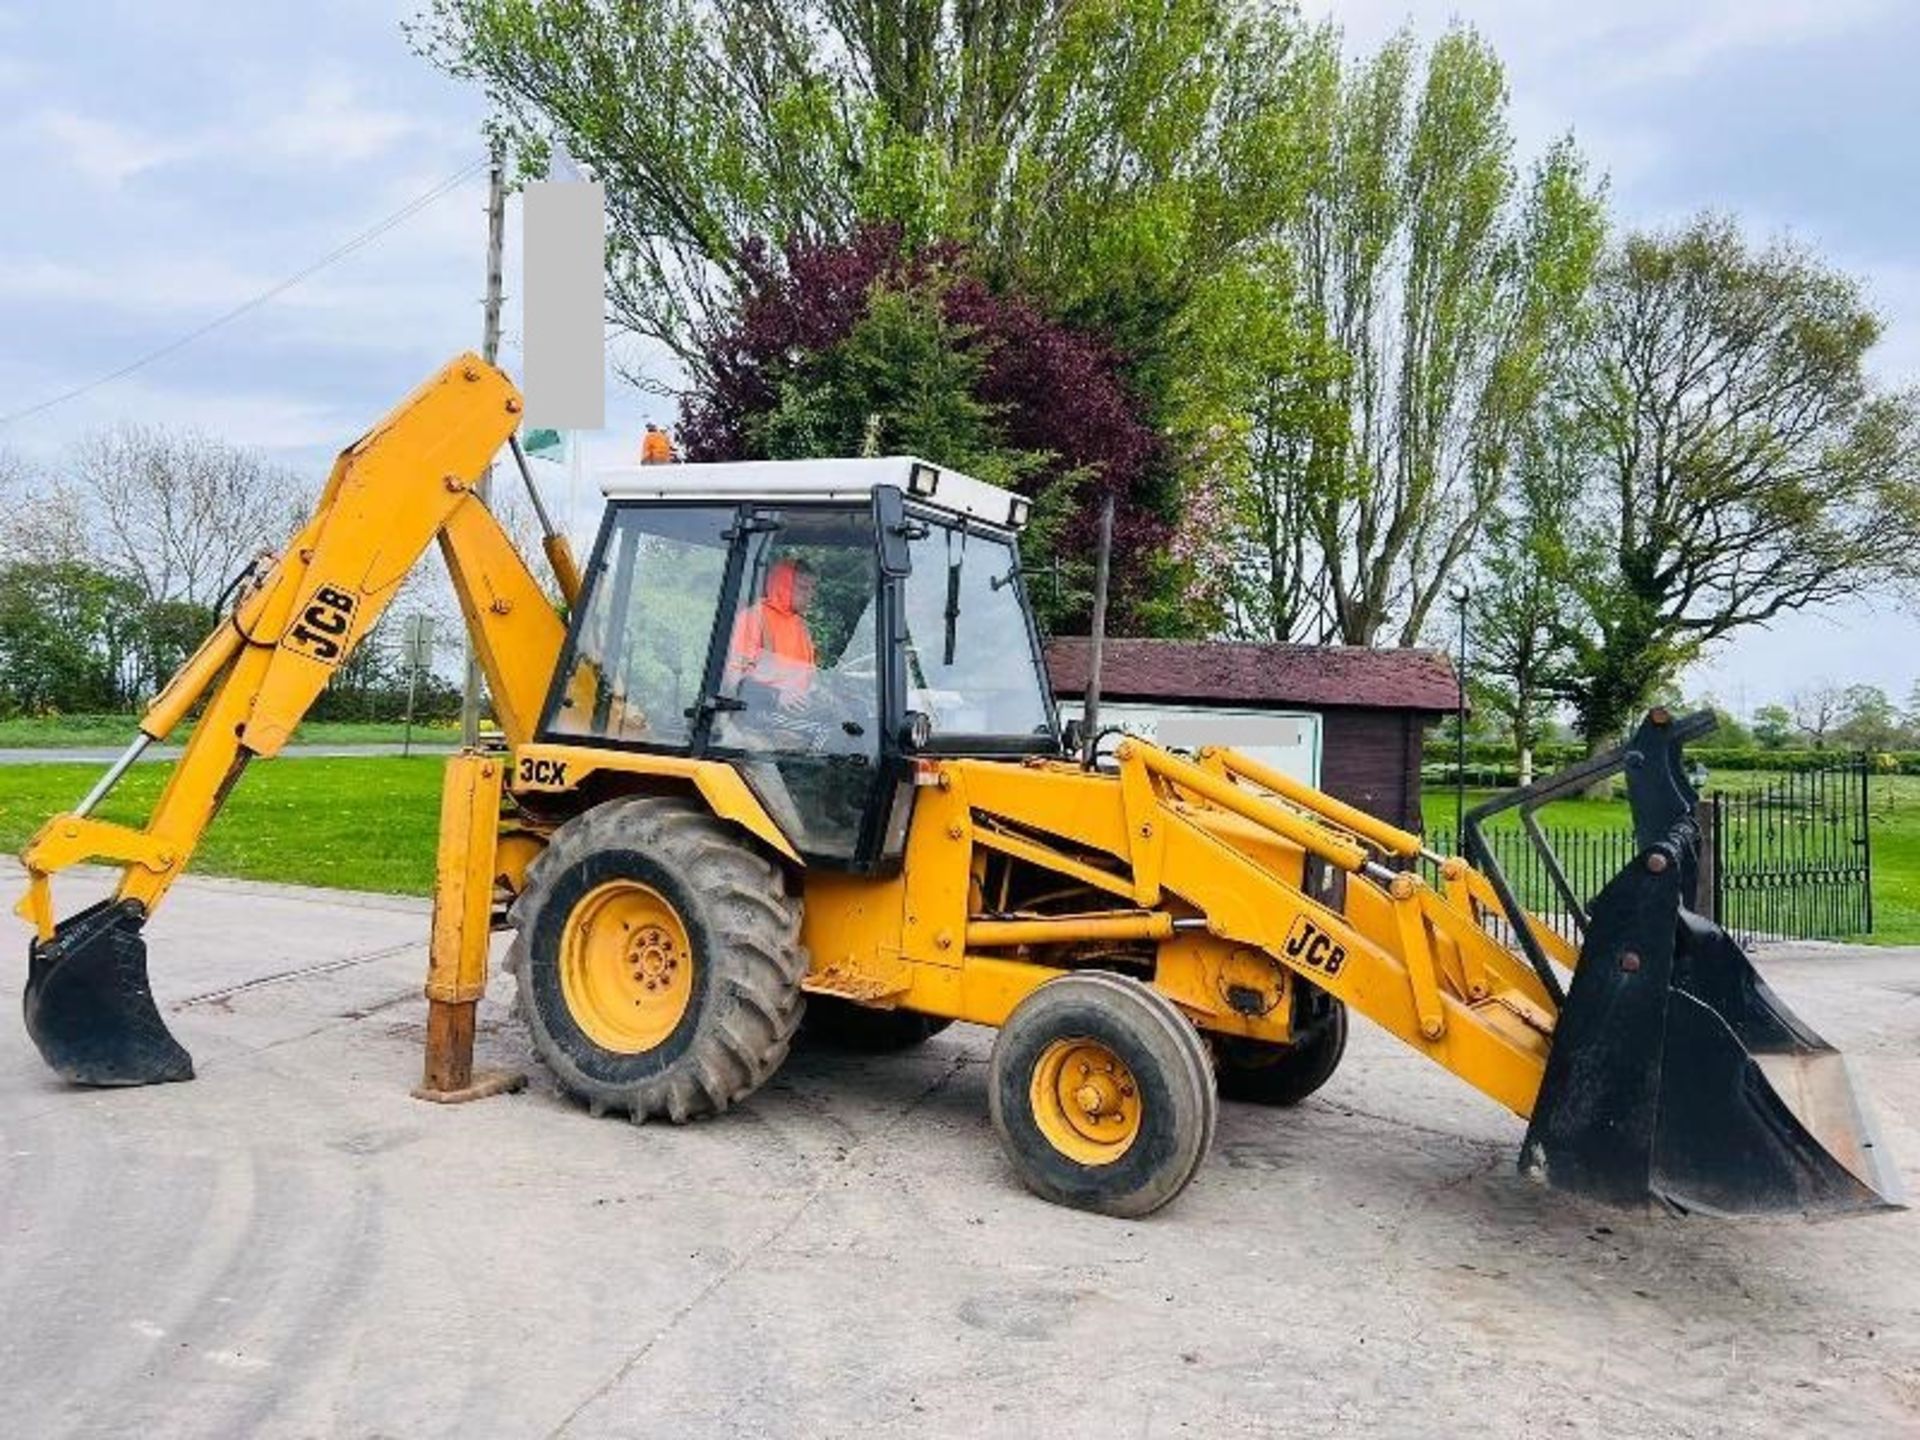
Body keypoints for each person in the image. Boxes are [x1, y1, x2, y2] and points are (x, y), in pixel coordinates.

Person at [725, 556, 817, 709]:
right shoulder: (754, 619)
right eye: (803, 588)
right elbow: (733, 678)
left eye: (813, 588)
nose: (811, 595)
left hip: (796, 711)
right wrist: (776, 696)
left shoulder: (801, 627)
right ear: (782, 586)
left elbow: (807, 676)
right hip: (757, 714)